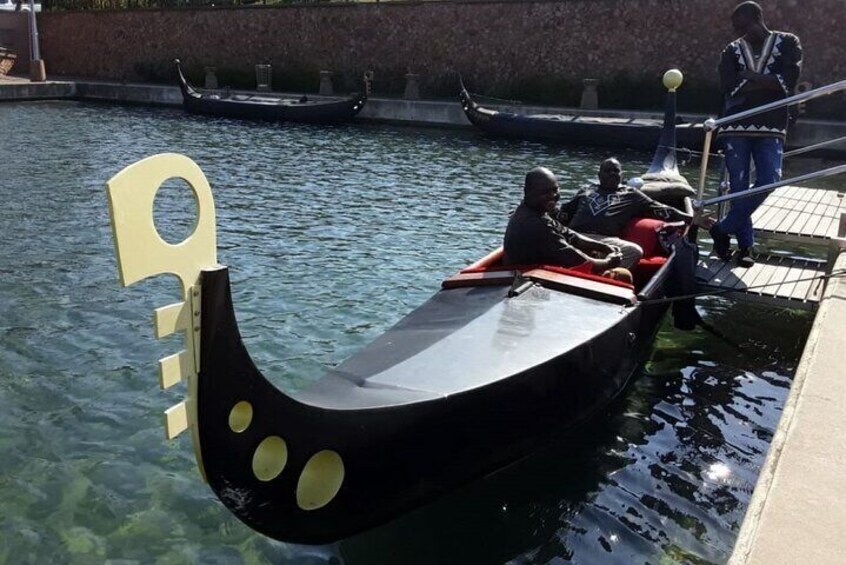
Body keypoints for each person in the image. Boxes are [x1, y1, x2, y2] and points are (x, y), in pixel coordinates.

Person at [710, 1, 802, 267]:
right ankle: (746, 247)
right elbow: (728, 86)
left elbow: (788, 81)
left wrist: (750, 77)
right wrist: (767, 82)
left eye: (742, 26)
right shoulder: (731, 49)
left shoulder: (788, 43)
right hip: (735, 124)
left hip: (772, 124)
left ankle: (723, 228)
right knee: (737, 186)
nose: (739, 32)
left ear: (758, 18)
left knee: (770, 178)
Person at [556, 158, 692, 269]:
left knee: (634, 251)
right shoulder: (586, 190)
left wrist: (690, 218)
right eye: (607, 171)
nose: (612, 174)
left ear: (622, 175)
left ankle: (608, 278)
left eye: (616, 171)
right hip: (575, 235)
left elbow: (662, 209)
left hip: (606, 240)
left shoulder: (631, 194)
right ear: (599, 175)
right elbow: (564, 213)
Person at [503, 167, 630, 281]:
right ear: (527, 191)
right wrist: (609, 262)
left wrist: (603, 246)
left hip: (536, 274)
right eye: (545, 192)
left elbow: (569, 234)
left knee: (595, 253)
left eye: (555, 190)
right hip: (526, 280)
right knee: (623, 276)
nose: (552, 196)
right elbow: (579, 261)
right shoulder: (535, 224)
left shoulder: (534, 211)